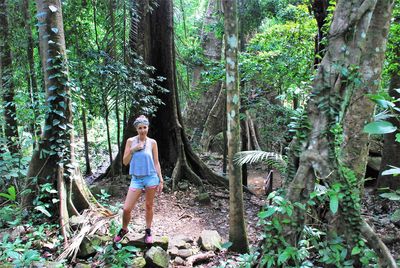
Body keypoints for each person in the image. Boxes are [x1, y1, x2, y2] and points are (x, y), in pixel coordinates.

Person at [113, 115, 164, 244]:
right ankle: (124, 229)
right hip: (136, 179)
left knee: (148, 205)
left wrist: (161, 180)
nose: (142, 130)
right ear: (136, 129)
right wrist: (133, 149)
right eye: (140, 128)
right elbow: (125, 162)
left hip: (151, 177)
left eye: (145, 127)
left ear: (148, 127)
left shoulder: (153, 142)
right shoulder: (130, 141)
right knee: (126, 208)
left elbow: (156, 162)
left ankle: (148, 231)